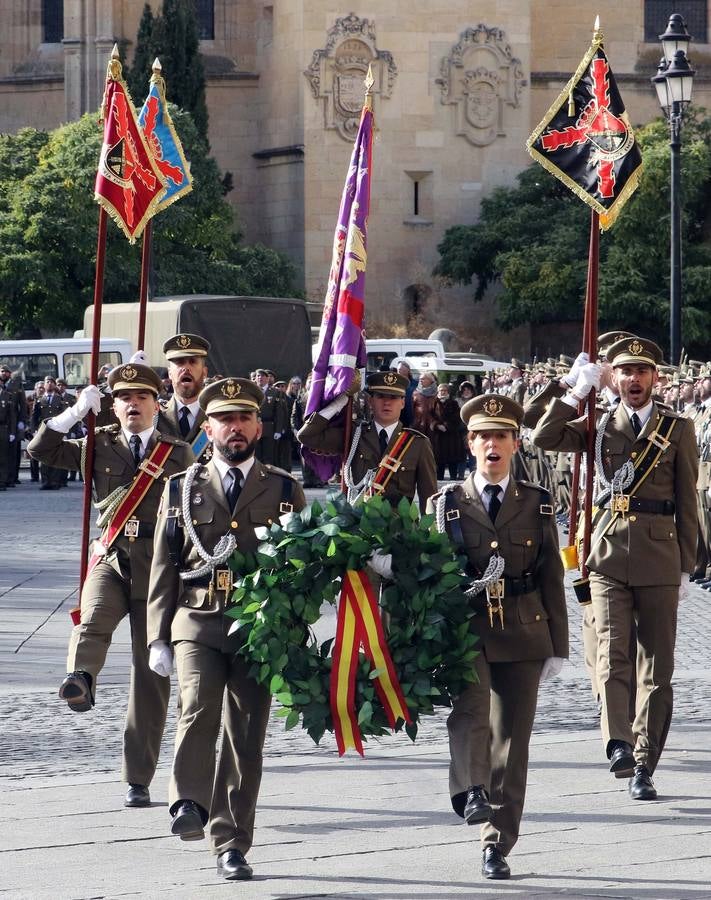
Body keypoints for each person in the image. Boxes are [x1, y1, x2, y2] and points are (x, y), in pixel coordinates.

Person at [146, 377, 306, 881]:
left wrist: (294, 634)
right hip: (197, 618)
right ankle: (187, 802)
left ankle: (232, 843)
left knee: (246, 734)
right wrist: (156, 636)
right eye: (224, 419)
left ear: (259, 427)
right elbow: (164, 565)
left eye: (243, 419)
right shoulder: (181, 487)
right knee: (197, 706)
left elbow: (302, 568)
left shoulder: (284, 488)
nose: (234, 428)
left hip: (258, 627)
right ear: (208, 428)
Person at [532, 336, 698, 801]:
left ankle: (645, 762)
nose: (634, 379)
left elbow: (688, 502)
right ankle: (619, 743)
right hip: (606, 554)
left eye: (642, 372)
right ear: (615, 378)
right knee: (611, 654)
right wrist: (574, 392)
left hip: (660, 556)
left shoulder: (677, 428)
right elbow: (542, 436)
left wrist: (687, 565)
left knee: (657, 668)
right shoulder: (598, 425)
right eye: (625, 372)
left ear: (655, 378)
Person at [27, 363, 194, 808]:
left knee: (150, 677)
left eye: (141, 397)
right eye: (124, 398)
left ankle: (138, 778)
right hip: (113, 558)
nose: (132, 404)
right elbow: (41, 450)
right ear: (113, 407)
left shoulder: (178, 454)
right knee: (94, 617)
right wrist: (71, 413)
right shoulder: (97, 444)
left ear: (157, 405)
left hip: (159, 571)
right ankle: (80, 678)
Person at [428, 394, 568, 880]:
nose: (493, 444)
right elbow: (430, 573)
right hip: (467, 630)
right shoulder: (446, 504)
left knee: (512, 741)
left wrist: (558, 646)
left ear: (514, 444)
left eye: (501, 436)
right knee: (470, 713)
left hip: (524, 629)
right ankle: (472, 791)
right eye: (484, 436)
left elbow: (552, 574)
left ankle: (497, 843)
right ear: (470, 443)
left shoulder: (537, 502)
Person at [297, 370, 437, 513]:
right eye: (380, 396)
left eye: (394, 397)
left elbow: (429, 497)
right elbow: (307, 436)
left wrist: (428, 525)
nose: (387, 402)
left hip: (399, 525)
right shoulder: (353, 434)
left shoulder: (418, 443)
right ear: (370, 401)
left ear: (402, 403)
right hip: (358, 522)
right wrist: (337, 404)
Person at [156, 334, 212, 461]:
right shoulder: (155, 417)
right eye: (180, 362)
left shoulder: (216, 418)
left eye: (193, 362)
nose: (186, 368)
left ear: (204, 372)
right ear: (170, 373)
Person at [31, 376, 68, 489]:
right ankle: (45, 481)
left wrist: (65, 432)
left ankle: (55, 482)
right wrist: (34, 430)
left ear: (54, 385)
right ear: (44, 385)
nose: (50, 384)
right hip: (43, 431)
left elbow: (65, 415)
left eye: (52, 382)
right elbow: (34, 417)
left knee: (56, 455)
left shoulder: (60, 399)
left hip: (57, 431)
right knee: (44, 456)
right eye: (47, 382)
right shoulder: (39, 400)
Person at [253, 368, 289, 466]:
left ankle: (268, 474)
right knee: (256, 455)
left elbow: (279, 412)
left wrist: (278, 430)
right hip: (254, 427)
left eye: (262, 376)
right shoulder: (252, 391)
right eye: (258, 376)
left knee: (268, 455)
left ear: (267, 378)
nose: (260, 378)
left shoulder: (275, 392)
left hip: (269, 427)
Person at [431, 382, 466, 481]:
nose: (442, 392)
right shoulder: (434, 403)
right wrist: (437, 425)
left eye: (444, 390)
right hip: (438, 436)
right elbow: (430, 417)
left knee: (452, 460)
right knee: (439, 460)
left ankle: (453, 478)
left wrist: (446, 425)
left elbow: (457, 417)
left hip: (451, 435)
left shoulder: (453, 403)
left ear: (448, 392)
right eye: (441, 390)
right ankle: (439, 479)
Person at [412, 371, 438, 437]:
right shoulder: (416, 393)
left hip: (432, 426)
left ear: (430, 380)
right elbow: (411, 409)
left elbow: (439, 412)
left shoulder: (436, 394)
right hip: (418, 425)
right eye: (420, 379)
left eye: (423, 379)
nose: (420, 380)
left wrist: (436, 423)